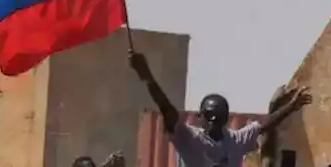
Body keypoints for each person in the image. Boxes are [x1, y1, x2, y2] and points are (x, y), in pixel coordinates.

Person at [130, 51, 313, 167]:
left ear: (225, 118)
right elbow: (167, 108)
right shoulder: (189, 137)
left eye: (217, 116)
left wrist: (290, 107)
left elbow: (264, 126)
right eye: (210, 115)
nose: (213, 120)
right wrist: (147, 76)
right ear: (201, 117)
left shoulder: (234, 141)